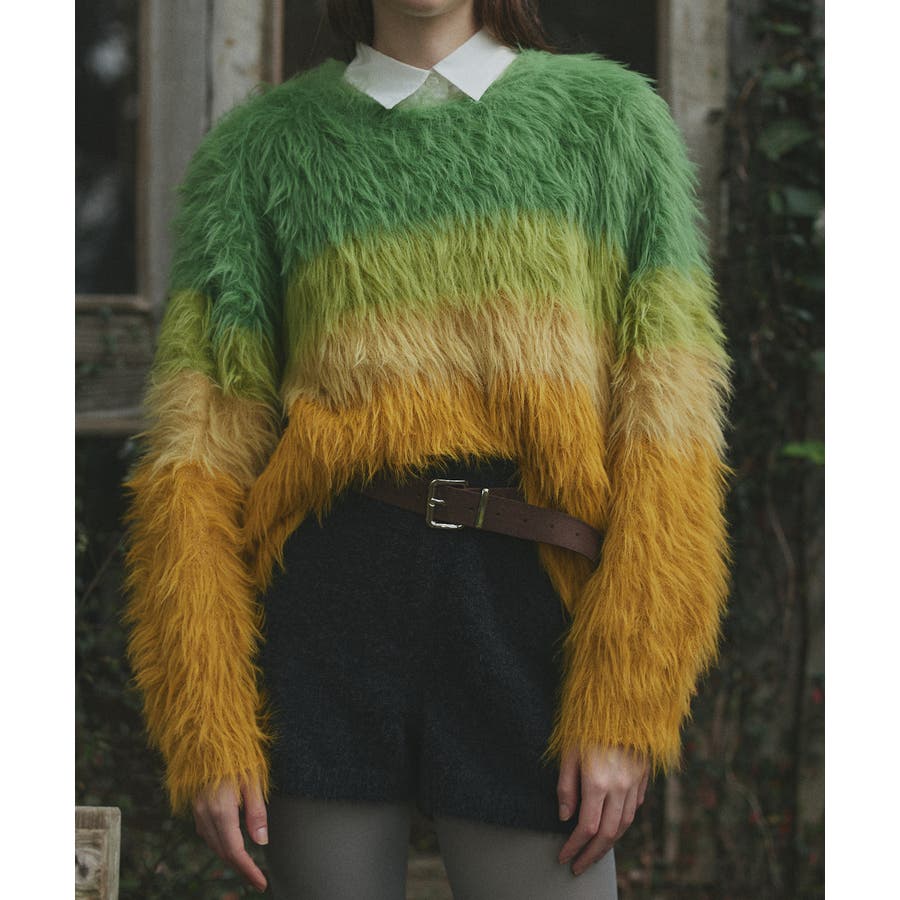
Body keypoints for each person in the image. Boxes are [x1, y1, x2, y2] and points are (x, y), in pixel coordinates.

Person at [121, 0, 733, 896]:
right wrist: (206, 717)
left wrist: (628, 696)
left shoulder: (610, 124)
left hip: (529, 605)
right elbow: (196, 456)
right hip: (326, 605)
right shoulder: (259, 150)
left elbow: (668, 433)